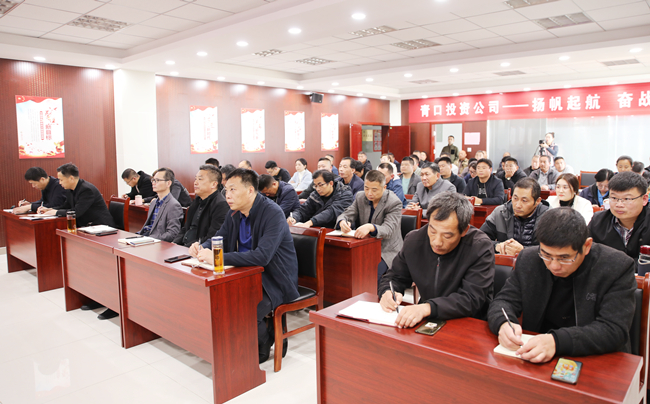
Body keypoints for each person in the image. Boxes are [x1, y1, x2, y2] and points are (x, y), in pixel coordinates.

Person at [487, 208, 636, 363]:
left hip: (596, 359)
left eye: (564, 258)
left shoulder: (617, 266)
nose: (554, 266)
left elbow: (613, 329)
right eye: (546, 255)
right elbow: (503, 301)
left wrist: (556, 341)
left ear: (586, 246)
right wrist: (503, 323)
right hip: (536, 354)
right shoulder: (529, 258)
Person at [190, 168, 299, 363]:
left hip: (274, 278)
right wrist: (202, 246)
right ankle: (245, 342)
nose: (227, 195)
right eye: (226, 190)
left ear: (250, 190)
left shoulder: (272, 213)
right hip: (245, 273)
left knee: (245, 309)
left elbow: (262, 257)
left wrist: (218, 257)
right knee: (220, 301)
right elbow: (219, 237)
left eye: (233, 189)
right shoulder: (234, 213)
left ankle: (263, 341)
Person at [379, 192, 495, 327]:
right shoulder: (414, 241)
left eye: (447, 236)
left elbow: (471, 298)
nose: (437, 242)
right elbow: (394, 277)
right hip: (429, 318)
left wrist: (427, 308)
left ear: (464, 230)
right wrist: (387, 291)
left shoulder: (480, 247)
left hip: (469, 323)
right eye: (432, 231)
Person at [337, 170, 403, 282]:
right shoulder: (360, 196)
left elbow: (388, 229)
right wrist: (343, 221)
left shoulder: (393, 202)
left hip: (386, 249)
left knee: (370, 273)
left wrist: (371, 227)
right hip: (364, 246)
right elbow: (347, 213)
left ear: (384, 187)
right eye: (366, 188)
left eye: (374, 190)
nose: (369, 193)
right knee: (344, 266)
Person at [588, 172, 650, 263]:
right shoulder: (598, 221)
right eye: (614, 198)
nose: (619, 204)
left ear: (644, 199)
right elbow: (587, 254)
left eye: (627, 199)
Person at [480, 178, 549, 255]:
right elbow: (479, 240)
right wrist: (496, 246)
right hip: (504, 261)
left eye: (524, 200)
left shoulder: (549, 218)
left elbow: (554, 250)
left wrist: (524, 251)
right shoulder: (500, 213)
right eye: (515, 198)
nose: (518, 205)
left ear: (537, 201)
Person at [40, 163, 115, 228]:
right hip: (87, 226)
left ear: (71, 178)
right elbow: (66, 206)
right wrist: (50, 209)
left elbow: (77, 212)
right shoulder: (70, 189)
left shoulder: (86, 190)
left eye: (61, 180)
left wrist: (56, 212)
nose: (59, 183)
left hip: (100, 226)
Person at [174, 165, 229, 247]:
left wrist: (187, 248)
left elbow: (212, 237)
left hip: (199, 249)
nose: (195, 182)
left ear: (213, 184)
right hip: (185, 247)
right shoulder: (197, 201)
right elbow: (185, 228)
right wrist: (174, 244)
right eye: (195, 179)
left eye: (200, 179)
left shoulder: (221, 205)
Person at [288, 170, 353, 229]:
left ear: (331, 183)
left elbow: (331, 212)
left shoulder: (345, 194)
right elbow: (303, 210)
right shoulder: (315, 195)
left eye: (320, 185)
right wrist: (293, 217)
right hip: (317, 229)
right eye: (315, 186)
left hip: (336, 230)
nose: (318, 189)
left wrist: (310, 222)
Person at [137, 167, 184, 242]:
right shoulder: (153, 203)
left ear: (168, 183)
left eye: (157, 180)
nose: (153, 183)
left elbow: (172, 233)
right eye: (153, 180)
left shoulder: (174, 205)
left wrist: (150, 239)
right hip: (145, 237)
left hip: (156, 242)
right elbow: (149, 227)